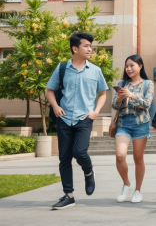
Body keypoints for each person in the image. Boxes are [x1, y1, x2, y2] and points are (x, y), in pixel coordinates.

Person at [46, 33, 108, 210]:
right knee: (64, 157)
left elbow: (102, 94)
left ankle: (88, 172)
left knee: (80, 152)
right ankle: (69, 195)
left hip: (84, 118)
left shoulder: (95, 70)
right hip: (64, 118)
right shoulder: (62, 68)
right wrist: (55, 106)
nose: (90, 49)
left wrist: (96, 112)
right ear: (75, 48)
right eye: (86, 46)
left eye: (91, 46)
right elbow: (49, 90)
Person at [112, 55, 154, 204]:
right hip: (123, 123)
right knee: (120, 155)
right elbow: (114, 106)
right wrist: (120, 98)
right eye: (127, 66)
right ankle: (126, 185)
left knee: (138, 158)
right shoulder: (122, 83)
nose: (128, 69)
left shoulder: (147, 84)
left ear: (140, 66)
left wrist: (132, 96)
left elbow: (147, 104)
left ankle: (138, 190)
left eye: (132, 65)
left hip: (140, 124)